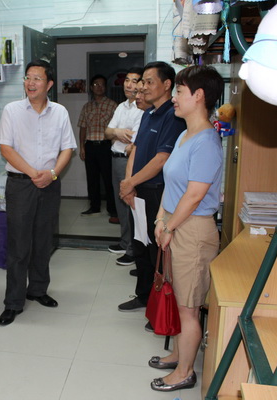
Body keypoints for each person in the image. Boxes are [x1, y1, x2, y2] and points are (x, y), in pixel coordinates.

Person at [149, 65, 224, 392]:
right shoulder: (184, 135)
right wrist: (160, 220)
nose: (174, 98)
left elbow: (194, 195)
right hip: (175, 223)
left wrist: (170, 226)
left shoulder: (207, 141)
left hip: (192, 232)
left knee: (189, 307)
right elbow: (172, 184)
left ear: (199, 96)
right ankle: (179, 355)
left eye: (179, 92)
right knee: (179, 297)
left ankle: (185, 373)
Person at [0, 60, 77, 326]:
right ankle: (13, 302)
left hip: (50, 184)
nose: (30, 83)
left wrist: (52, 174)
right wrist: (33, 173)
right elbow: (6, 148)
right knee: (19, 244)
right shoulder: (12, 110)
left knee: (43, 241)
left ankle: (38, 289)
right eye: (28, 78)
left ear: (49, 84)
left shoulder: (60, 112)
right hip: (21, 185)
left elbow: (67, 148)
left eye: (37, 78)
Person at [118, 62, 186, 315]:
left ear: (167, 85)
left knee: (157, 251)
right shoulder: (148, 113)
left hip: (156, 191)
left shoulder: (173, 116)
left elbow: (161, 159)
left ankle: (160, 310)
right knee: (140, 245)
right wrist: (128, 183)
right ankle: (143, 296)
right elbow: (135, 149)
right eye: (142, 82)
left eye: (149, 82)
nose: (143, 87)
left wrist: (131, 183)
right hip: (137, 191)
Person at [105, 67, 146, 266]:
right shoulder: (122, 106)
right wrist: (118, 132)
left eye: (134, 81)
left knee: (130, 204)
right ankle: (125, 242)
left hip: (129, 160)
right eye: (127, 80)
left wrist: (117, 132)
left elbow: (133, 139)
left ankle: (132, 250)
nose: (129, 85)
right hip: (115, 157)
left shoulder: (142, 108)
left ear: (142, 84)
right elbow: (107, 132)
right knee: (120, 204)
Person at [78, 74, 118, 217]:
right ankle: (94, 206)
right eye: (96, 84)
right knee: (92, 178)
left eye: (102, 85)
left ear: (105, 87)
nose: (99, 87)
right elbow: (83, 128)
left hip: (106, 146)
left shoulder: (113, 105)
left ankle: (112, 209)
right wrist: (82, 147)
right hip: (90, 146)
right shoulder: (86, 107)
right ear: (91, 87)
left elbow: (117, 129)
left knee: (109, 179)